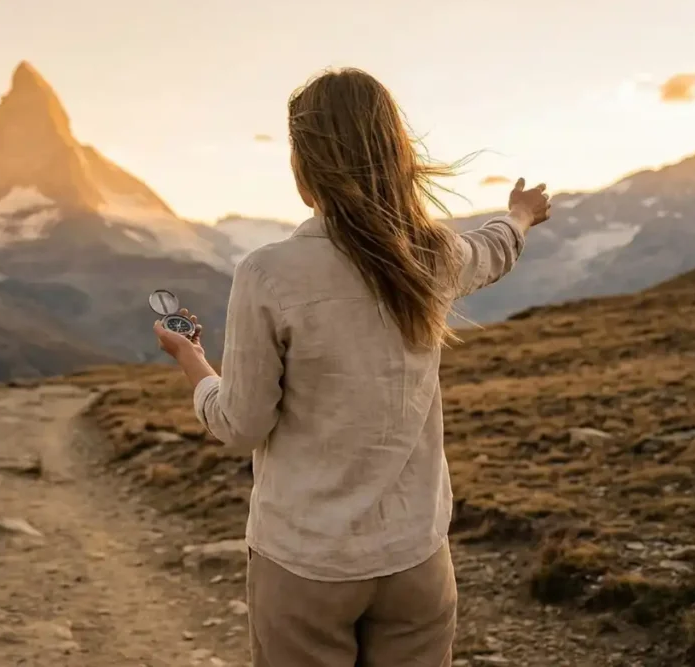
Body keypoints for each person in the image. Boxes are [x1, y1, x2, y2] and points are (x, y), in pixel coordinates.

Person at [152, 67, 551, 667]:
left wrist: (193, 361)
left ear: (304, 167)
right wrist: (519, 216)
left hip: (306, 564)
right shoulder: (432, 253)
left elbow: (240, 425)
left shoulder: (268, 273)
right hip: (417, 558)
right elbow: (491, 251)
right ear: (395, 156)